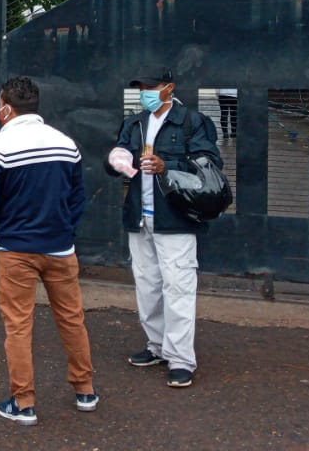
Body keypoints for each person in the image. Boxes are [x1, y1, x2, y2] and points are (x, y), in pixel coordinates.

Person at [0, 78, 95, 426]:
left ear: (6, 106)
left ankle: (23, 402)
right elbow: (77, 198)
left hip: (15, 249)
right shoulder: (65, 144)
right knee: (72, 319)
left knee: (19, 325)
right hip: (60, 247)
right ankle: (85, 390)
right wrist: (66, 231)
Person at [109, 67, 221, 389]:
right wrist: (115, 160)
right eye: (140, 87)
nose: (145, 91)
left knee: (178, 287)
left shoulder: (191, 122)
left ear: (169, 87)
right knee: (147, 286)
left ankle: (181, 358)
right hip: (140, 218)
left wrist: (166, 166)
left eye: (150, 86)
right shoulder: (134, 123)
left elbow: (209, 164)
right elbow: (117, 158)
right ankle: (156, 346)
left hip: (175, 219)